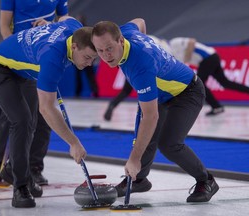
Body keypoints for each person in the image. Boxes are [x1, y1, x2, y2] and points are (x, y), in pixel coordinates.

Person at [91, 18, 219, 203]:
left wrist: (134, 159)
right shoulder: (126, 32)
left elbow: (151, 116)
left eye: (109, 48)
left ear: (120, 41)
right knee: (147, 137)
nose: (106, 55)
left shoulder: (140, 65)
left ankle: (206, 180)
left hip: (187, 92)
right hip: (162, 93)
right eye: (100, 50)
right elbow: (140, 21)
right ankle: (139, 180)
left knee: (169, 143)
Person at [0, 15, 96, 208]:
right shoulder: (53, 57)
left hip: (24, 69)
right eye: (87, 57)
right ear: (74, 46)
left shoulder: (75, 27)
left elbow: (66, 17)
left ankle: (16, 171)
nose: (89, 64)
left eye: (94, 59)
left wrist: (50, 25)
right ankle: (20, 187)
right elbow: (47, 108)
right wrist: (73, 143)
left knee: (32, 122)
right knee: (22, 120)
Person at [0, 0, 69, 187]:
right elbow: (4, 26)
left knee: (42, 115)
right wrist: (19, 54)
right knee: (11, 116)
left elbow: (65, 18)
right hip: (17, 58)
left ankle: (34, 168)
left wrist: (52, 25)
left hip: (40, 59)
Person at [169, 37, 249, 116]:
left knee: (199, 84)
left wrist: (186, 58)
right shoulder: (170, 54)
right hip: (210, 58)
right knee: (225, 82)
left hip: (208, 57)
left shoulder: (173, 42)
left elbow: (191, 41)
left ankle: (216, 107)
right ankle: (217, 106)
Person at [103, 35, 172, 121]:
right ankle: (150, 115)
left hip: (132, 63)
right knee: (149, 92)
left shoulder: (148, 39)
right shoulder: (164, 48)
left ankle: (113, 104)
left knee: (127, 90)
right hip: (144, 68)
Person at [75, 14, 99, 98]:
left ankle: (94, 92)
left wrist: (92, 57)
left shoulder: (88, 32)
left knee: (89, 75)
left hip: (86, 56)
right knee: (80, 76)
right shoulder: (77, 31)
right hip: (80, 57)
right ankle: (79, 92)